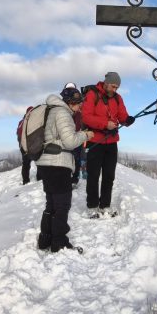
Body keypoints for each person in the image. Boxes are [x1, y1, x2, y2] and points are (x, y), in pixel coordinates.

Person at [36, 87, 94, 252]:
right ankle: (59, 243)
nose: (80, 107)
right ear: (72, 102)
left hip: (47, 163)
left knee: (51, 204)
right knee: (62, 205)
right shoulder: (63, 113)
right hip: (58, 163)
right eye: (79, 103)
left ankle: (45, 239)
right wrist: (85, 135)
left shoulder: (53, 110)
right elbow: (69, 142)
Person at [80, 72, 135, 216]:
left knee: (109, 175)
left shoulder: (118, 98)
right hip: (95, 142)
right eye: (113, 86)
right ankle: (92, 206)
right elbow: (86, 117)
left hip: (111, 142)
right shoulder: (92, 94)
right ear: (106, 82)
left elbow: (122, 116)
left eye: (117, 87)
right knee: (93, 175)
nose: (114, 89)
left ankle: (105, 205)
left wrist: (127, 120)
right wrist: (105, 124)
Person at [63, 82, 84, 185]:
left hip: (75, 135)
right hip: (70, 135)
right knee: (74, 158)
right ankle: (71, 178)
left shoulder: (78, 103)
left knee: (75, 158)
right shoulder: (64, 105)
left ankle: (74, 178)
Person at [16, 106, 34, 184]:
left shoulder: (21, 122)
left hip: (22, 146)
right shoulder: (30, 121)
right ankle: (39, 178)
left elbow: (18, 134)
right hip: (30, 145)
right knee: (39, 161)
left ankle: (25, 180)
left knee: (26, 164)